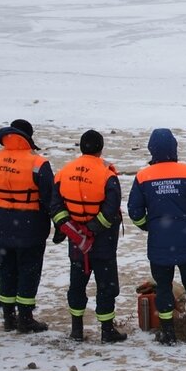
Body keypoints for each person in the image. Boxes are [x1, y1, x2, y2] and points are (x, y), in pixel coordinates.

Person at [128, 128, 186, 345]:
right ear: (174, 148)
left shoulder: (143, 176)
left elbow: (134, 210)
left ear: (151, 150)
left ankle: (168, 333)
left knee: (163, 287)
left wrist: (148, 226)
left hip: (159, 244)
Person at [50, 129, 126, 343]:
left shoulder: (64, 172)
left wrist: (73, 229)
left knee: (77, 285)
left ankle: (76, 330)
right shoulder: (107, 174)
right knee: (106, 286)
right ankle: (107, 331)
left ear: (81, 147)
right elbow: (111, 209)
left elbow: (55, 206)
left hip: (76, 242)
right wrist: (92, 229)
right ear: (101, 149)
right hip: (103, 242)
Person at [0, 119, 53, 333]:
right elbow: (50, 197)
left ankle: (8, 317)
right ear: (29, 137)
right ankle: (25, 319)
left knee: (7, 271)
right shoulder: (38, 163)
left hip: (1, 223)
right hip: (30, 225)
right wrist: (57, 223)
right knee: (28, 271)